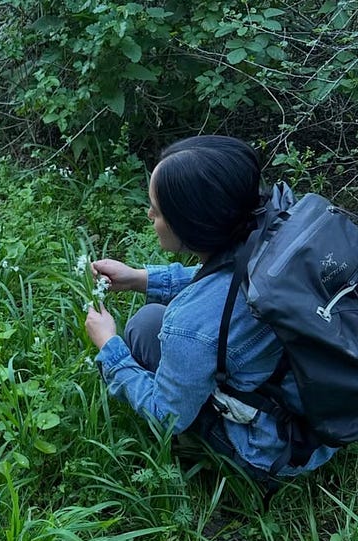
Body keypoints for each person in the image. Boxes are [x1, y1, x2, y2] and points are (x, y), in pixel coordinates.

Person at [84, 135, 336, 479]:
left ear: (191, 224)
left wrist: (110, 348)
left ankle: (223, 456)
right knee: (153, 321)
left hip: (269, 451)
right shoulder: (275, 227)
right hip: (320, 421)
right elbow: (228, 284)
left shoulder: (188, 325)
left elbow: (168, 415)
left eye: (157, 211)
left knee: (144, 328)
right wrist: (142, 278)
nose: (149, 215)